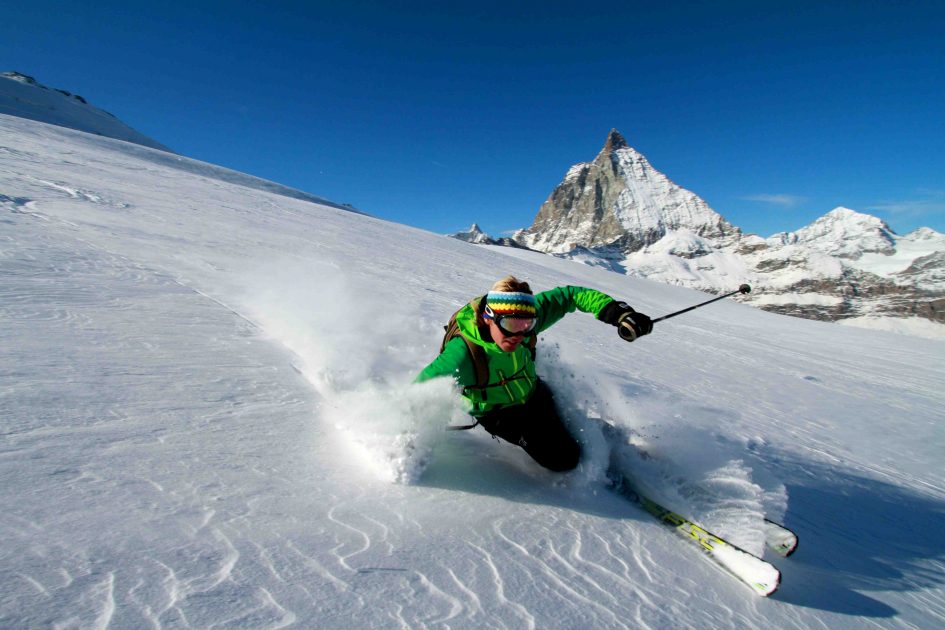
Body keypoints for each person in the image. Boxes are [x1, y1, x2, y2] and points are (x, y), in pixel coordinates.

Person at [415, 276, 652, 472]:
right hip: (502, 415)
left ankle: (606, 443)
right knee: (564, 461)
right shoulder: (463, 355)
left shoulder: (522, 317)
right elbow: (417, 393)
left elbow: (570, 295)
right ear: (489, 318)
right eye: (511, 325)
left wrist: (619, 313)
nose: (519, 334)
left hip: (534, 391)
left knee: (568, 424)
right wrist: (406, 442)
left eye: (527, 325)